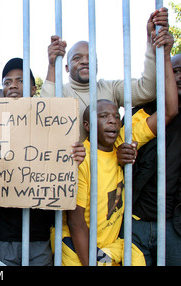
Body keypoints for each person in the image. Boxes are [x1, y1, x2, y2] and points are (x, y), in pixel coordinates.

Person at [0, 19, 85, 266]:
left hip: (37, 235)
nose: (13, 86)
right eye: (7, 82)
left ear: (34, 89)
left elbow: (64, 162)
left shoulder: (52, 122)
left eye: (19, 80)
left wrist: (75, 157)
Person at [62, 27, 178, 266]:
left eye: (116, 115)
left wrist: (164, 53)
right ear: (87, 124)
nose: (112, 119)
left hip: (111, 248)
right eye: (103, 116)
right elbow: (76, 222)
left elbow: (169, 110)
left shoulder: (124, 140)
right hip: (79, 251)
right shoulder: (81, 158)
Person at [42, 7, 169, 142]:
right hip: (72, 163)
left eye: (90, 58)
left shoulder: (111, 88)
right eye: (77, 58)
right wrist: (52, 64)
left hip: (108, 163)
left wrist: (152, 41)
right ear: (66, 68)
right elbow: (43, 114)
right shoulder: (61, 91)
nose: (85, 61)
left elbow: (147, 91)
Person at [116, 52, 181, 266]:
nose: (178, 77)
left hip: (174, 225)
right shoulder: (139, 114)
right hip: (136, 222)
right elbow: (113, 154)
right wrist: (122, 155)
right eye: (174, 72)